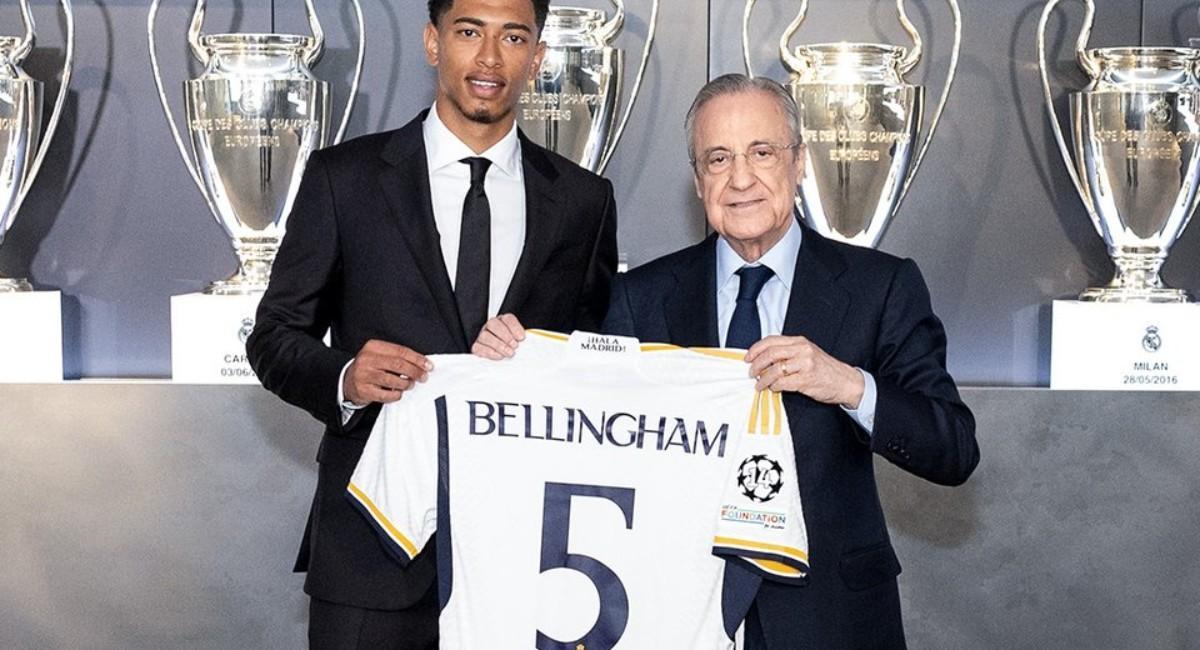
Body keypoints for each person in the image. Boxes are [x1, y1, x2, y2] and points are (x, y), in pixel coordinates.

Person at [244, 0, 618, 646]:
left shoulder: (583, 201)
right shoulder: (346, 179)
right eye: (469, 32)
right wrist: (346, 378)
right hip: (371, 553)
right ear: (432, 42)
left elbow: (596, 364)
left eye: (514, 37)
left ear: (537, 55)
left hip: (525, 560)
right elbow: (273, 338)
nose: (490, 59)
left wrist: (548, 358)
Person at [601, 74, 979, 648]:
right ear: (698, 179)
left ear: (799, 162)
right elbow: (593, 444)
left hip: (832, 617)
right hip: (676, 611)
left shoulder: (880, 287)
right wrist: (512, 359)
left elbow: (953, 448)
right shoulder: (641, 297)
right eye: (718, 158)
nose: (741, 178)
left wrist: (850, 385)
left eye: (762, 152)